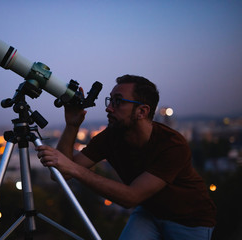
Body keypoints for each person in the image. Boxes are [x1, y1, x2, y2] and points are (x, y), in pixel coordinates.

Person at [36, 75, 216, 239]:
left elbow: (131, 197)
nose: (108, 107)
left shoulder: (172, 145)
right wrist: (72, 126)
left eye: (118, 101)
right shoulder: (111, 137)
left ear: (142, 111)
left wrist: (74, 168)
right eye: (110, 100)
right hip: (149, 212)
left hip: (189, 220)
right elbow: (61, 173)